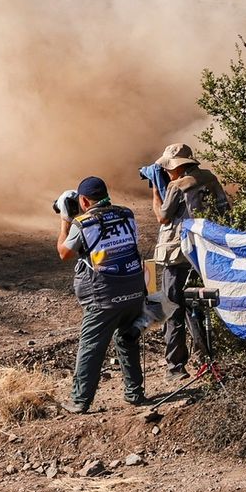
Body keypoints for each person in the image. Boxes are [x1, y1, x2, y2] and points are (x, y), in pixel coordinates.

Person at [56, 176, 147, 413]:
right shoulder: (127, 214)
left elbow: (64, 252)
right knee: (127, 340)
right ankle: (135, 393)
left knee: (91, 346)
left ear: (84, 200)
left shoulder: (83, 223)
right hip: (134, 288)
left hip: (104, 296)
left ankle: (79, 401)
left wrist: (65, 220)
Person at [151, 143, 230, 380]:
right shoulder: (209, 178)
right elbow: (224, 209)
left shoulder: (175, 186)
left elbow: (162, 218)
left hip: (177, 257)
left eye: (168, 168)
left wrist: (156, 193)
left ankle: (176, 368)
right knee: (202, 306)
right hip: (205, 253)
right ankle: (209, 359)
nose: (166, 172)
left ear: (177, 166)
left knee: (172, 309)